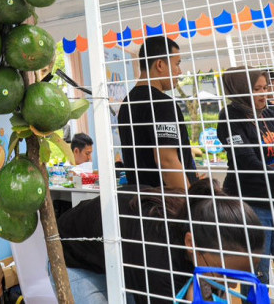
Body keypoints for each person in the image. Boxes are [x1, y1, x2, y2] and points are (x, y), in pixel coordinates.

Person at [56, 179, 264, 303]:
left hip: (122, 257)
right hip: (71, 259)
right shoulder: (158, 260)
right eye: (223, 275)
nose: (234, 284)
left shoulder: (197, 223)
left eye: (241, 277)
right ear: (191, 244)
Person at [216, 66, 274, 283]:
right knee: (258, 272)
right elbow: (246, 161)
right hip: (252, 204)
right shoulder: (230, 116)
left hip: (271, 199)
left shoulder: (268, 113)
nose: (264, 94)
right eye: (257, 89)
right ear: (241, 90)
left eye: (265, 88)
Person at [118, 36, 198, 190]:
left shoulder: (127, 103)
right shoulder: (162, 103)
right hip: (169, 203)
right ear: (160, 64)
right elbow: (166, 161)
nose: (179, 71)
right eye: (177, 64)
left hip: (141, 202)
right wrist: (192, 202)